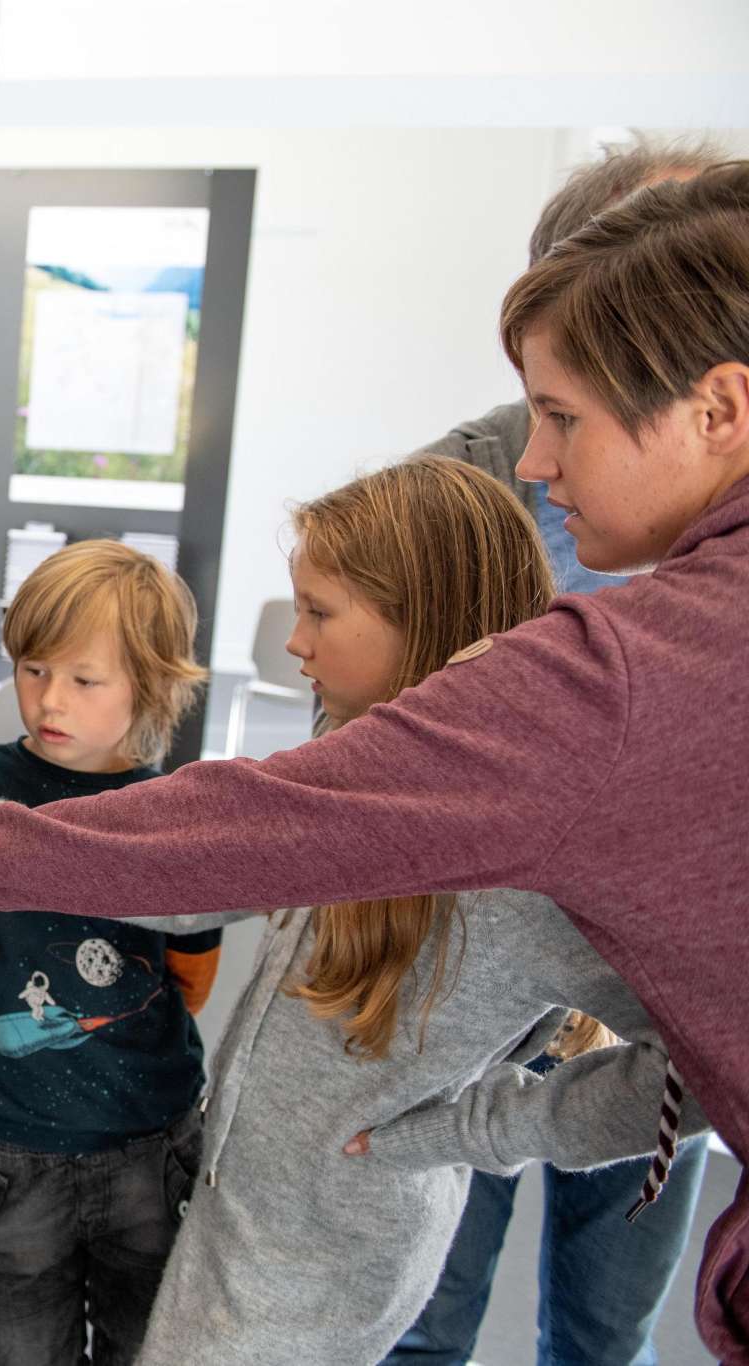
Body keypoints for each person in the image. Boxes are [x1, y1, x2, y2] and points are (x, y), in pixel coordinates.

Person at [0, 163, 749, 1359]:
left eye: (562, 416)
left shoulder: (631, 677)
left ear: (716, 408)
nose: (535, 462)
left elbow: (241, 837)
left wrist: (462, 1134)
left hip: (314, 1262)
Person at [386, 136, 729, 1366]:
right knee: (425, 1308)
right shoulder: (459, 485)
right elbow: (356, 746)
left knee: (605, 1319)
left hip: (659, 1009)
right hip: (472, 986)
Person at [0, 540, 223, 1366]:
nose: (49, 699)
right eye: (33, 669)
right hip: (8, 1159)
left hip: (152, 1151)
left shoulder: (176, 811)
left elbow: (191, 976)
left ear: (151, 684)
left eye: (85, 680)